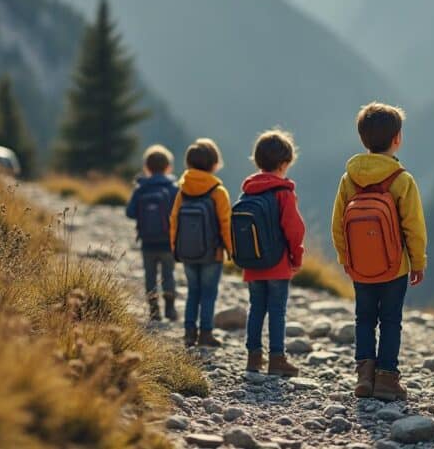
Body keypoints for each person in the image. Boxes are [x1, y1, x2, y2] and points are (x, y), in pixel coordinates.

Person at [331, 102, 427, 401]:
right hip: (394, 266)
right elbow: (413, 226)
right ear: (397, 138)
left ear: (363, 139)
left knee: (363, 318)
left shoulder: (349, 178)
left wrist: (346, 258)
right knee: (390, 321)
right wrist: (417, 261)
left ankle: (364, 375)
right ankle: (387, 378)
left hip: (360, 265)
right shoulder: (401, 180)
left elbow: (338, 223)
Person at [238, 130, 306, 377]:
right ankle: (277, 358)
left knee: (256, 308)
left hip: (253, 264)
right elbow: (294, 229)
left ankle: (253, 357)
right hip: (278, 265)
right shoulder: (283, 193)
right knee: (277, 310)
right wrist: (296, 258)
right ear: (284, 163)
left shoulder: (248, 192)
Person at [170, 138, 233, 348]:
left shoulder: (182, 191)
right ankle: (206, 334)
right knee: (208, 294)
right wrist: (232, 251)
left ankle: (189, 333)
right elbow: (226, 223)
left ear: (188, 163)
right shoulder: (218, 192)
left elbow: (174, 220)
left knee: (192, 292)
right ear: (214, 164)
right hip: (212, 254)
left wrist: (175, 249)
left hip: (187, 252)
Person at [125, 144, 179, 322]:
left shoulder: (141, 188)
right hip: (167, 242)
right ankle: (170, 308)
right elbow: (179, 212)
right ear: (168, 167)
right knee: (168, 274)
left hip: (147, 242)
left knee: (150, 275)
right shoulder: (173, 188)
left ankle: (154, 310)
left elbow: (130, 212)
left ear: (146, 167)